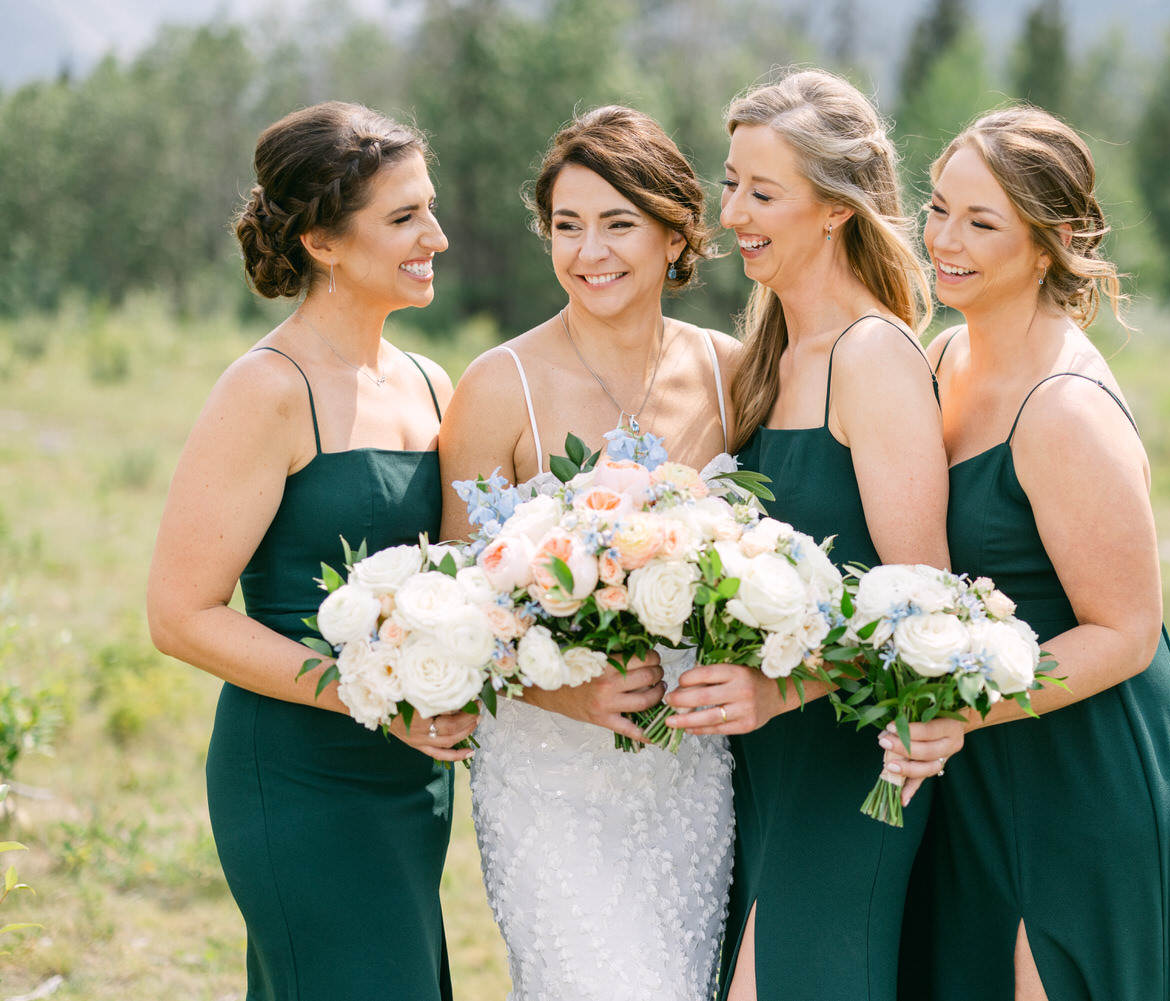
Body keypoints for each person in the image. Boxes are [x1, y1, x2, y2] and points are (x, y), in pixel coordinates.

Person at [884, 105, 1170, 1000]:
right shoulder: (943, 356)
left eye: (982, 221)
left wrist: (964, 709)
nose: (945, 239)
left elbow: (1126, 630)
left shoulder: (1064, 410)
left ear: (1051, 244)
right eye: (938, 208)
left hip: (1081, 762)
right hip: (982, 752)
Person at [146, 102, 473, 1001]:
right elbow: (179, 616)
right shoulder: (266, 390)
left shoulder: (429, 382)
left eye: (430, 208)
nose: (436, 236)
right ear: (324, 242)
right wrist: (365, 694)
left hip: (411, 774)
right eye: (404, 217)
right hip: (300, 773)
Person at [438, 105, 740, 1001]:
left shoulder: (734, 369)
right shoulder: (501, 385)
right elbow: (455, 606)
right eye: (567, 226)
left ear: (676, 231)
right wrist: (560, 689)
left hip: (692, 766)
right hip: (548, 767)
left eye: (618, 222)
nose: (589, 251)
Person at [662, 69, 950, 1001]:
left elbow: (927, 612)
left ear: (834, 209)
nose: (731, 210)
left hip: (854, 761)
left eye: (762, 191)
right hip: (762, 764)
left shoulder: (875, 356)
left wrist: (780, 691)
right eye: (730, 181)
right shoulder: (770, 359)